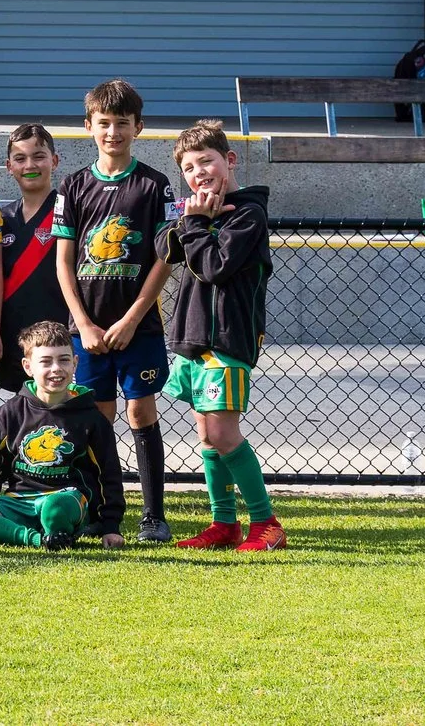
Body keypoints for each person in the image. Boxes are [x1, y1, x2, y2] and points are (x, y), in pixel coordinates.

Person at [52, 78, 177, 543]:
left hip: (137, 328)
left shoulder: (154, 185)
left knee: (140, 412)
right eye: (103, 124)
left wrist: (130, 319)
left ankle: (153, 515)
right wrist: (83, 323)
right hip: (86, 331)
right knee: (97, 419)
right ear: (88, 127)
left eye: (121, 124)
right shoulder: (74, 185)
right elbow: (64, 262)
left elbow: (166, 258)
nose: (112, 133)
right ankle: (101, 511)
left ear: (138, 128)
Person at [162, 121, 282, 552]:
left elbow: (214, 266)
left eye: (207, 161)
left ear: (228, 161)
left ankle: (266, 523)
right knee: (206, 435)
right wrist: (190, 219)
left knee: (224, 432)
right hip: (194, 338)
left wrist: (194, 223)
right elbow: (164, 247)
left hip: (229, 339)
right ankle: (224, 523)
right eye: (190, 167)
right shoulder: (193, 210)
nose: (200, 173)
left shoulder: (248, 213)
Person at [0, 321, 125, 550]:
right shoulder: (10, 413)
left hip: (67, 499)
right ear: (28, 367)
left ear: (75, 363)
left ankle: (57, 529)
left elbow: (109, 475)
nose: (56, 368)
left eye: (64, 360)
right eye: (45, 361)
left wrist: (111, 526)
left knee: (55, 508)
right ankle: (38, 539)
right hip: (20, 501)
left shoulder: (91, 418)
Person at [0, 124, 71, 397]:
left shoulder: (71, 211)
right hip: (14, 337)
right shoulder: (1, 219)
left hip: (61, 339)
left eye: (39, 156)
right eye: (20, 158)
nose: (30, 165)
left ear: (54, 160)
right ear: (8, 166)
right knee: (24, 411)